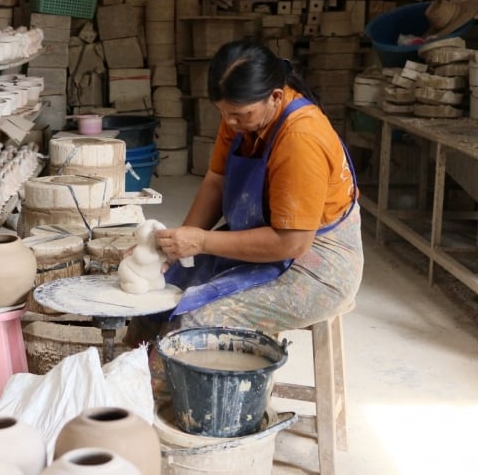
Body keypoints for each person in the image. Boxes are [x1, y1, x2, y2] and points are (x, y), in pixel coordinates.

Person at [126, 39, 363, 345]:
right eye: (223, 113)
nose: (229, 122)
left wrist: (202, 241)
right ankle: (127, 378)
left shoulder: (301, 138)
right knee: (159, 289)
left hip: (319, 261)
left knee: (197, 321)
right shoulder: (242, 115)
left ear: (275, 97)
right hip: (265, 235)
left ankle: (161, 392)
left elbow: (292, 242)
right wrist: (177, 244)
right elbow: (216, 181)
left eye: (238, 115)